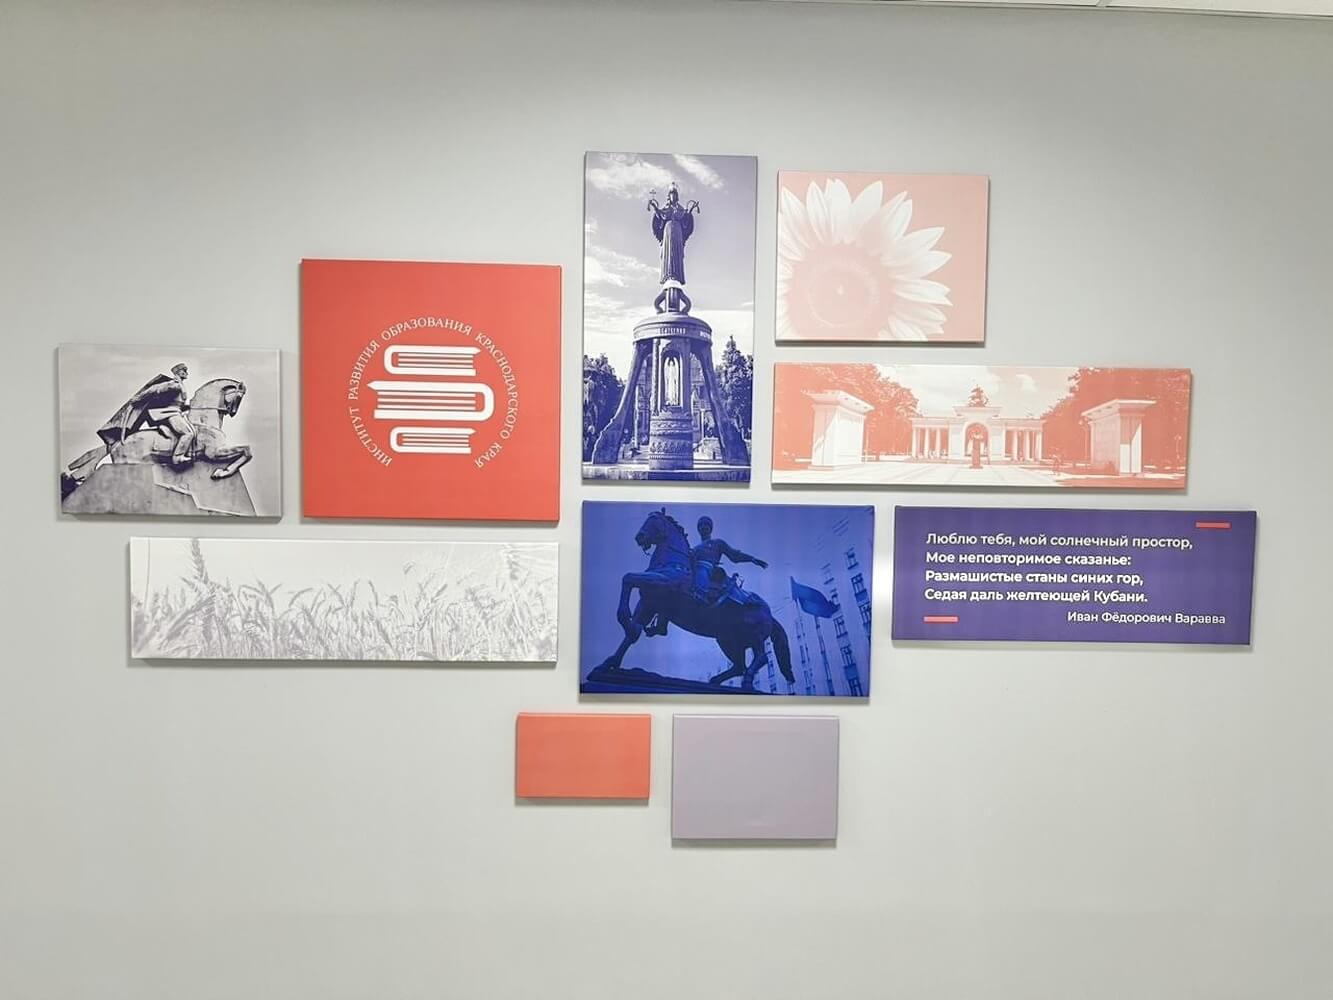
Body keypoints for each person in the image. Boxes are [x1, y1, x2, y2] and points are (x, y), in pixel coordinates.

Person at [99, 363, 196, 465]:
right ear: (178, 372)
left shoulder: (180, 385)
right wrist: (139, 397)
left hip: (178, 412)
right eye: (184, 371)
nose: (187, 373)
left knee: (194, 431)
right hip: (170, 414)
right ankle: (178, 457)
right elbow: (154, 389)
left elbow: (177, 403)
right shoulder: (174, 384)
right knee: (188, 433)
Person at [691, 516, 767, 605]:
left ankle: (705, 595)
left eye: (706, 524)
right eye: (701, 525)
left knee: (708, 573)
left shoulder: (717, 543)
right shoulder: (695, 549)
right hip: (696, 569)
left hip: (711, 570)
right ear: (698, 529)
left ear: (710, 528)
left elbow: (734, 555)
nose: (703, 527)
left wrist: (751, 559)